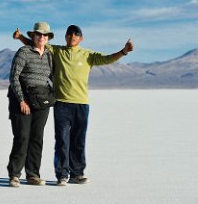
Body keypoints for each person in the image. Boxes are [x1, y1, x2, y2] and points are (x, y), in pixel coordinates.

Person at [13, 24, 134, 186]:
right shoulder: (57, 51)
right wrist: (20, 37)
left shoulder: (88, 55)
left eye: (75, 35)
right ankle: (62, 174)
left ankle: (77, 174)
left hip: (82, 104)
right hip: (62, 104)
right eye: (69, 35)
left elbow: (107, 59)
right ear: (65, 37)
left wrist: (124, 51)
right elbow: (36, 43)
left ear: (80, 38)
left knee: (78, 141)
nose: (72, 37)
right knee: (62, 141)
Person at [7, 22, 55, 187]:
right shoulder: (24, 52)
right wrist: (21, 100)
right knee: (22, 137)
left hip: (42, 101)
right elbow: (14, 77)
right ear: (33, 36)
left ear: (48, 38)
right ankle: (14, 174)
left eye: (45, 35)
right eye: (38, 34)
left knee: (37, 138)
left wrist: (51, 96)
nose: (42, 37)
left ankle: (33, 174)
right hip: (22, 100)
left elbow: (54, 77)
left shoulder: (50, 55)